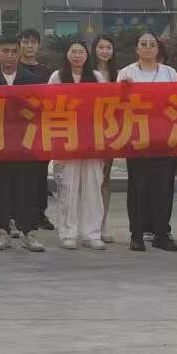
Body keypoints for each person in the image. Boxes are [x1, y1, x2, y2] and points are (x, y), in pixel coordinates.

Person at [118, 31, 177, 252]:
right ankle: (136, 235)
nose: (147, 47)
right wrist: (123, 89)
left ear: (158, 49)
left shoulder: (169, 72)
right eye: (143, 43)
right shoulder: (126, 72)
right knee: (138, 187)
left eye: (151, 44)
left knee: (163, 188)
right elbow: (116, 105)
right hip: (136, 138)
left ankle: (161, 234)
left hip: (164, 138)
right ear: (137, 49)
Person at [0, 36, 46, 252]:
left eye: (13, 51)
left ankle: (29, 232)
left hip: (25, 143)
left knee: (27, 187)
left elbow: (38, 109)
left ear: (19, 54)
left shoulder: (31, 79)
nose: (9, 55)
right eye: (5, 51)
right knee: (1, 187)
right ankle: (2, 231)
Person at [48, 40, 108, 250]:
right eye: (73, 51)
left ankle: (92, 233)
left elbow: (105, 105)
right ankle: (68, 233)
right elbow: (49, 105)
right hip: (66, 138)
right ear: (67, 54)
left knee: (93, 186)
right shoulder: (57, 77)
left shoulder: (97, 77)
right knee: (68, 187)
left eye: (81, 52)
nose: (77, 55)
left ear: (87, 55)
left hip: (92, 137)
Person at [18, 27, 55, 232]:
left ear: (38, 45)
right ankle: (18, 215)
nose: (29, 46)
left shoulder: (46, 72)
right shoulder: (13, 69)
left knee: (41, 173)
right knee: (20, 174)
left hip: (41, 129)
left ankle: (40, 214)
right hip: (18, 129)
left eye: (33, 42)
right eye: (25, 41)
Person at [91, 36, 120, 243]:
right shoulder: (87, 73)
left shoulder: (120, 74)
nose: (104, 51)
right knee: (88, 178)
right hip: (88, 130)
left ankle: (102, 223)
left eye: (108, 47)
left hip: (110, 130)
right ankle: (87, 222)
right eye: (101, 47)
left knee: (104, 178)